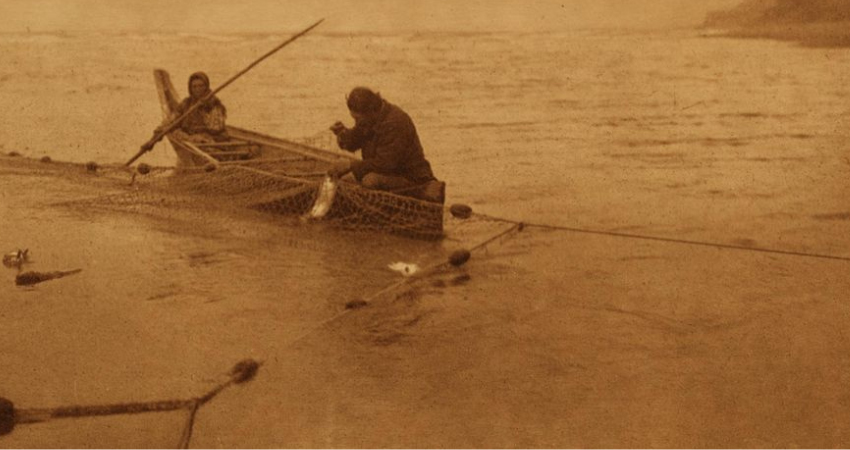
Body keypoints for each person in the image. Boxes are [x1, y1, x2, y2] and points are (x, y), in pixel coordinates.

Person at [328, 87, 444, 203]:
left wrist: (350, 165)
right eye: (354, 118)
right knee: (348, 179)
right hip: (387, 173)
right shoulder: (370, 118)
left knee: (370, 180)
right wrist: (342, 133)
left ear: (371, 111)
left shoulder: (396, 122)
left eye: (357, 118)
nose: (357, 122)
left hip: (412, 178)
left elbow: (385, 164)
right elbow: (354, 141)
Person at [163, 72, 229, 143]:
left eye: (201, 86)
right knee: (175, 132)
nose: (197, 89)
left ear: (206, 87)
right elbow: (174, 117)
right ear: (190, 88)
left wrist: (203, 109)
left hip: (212, 138)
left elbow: (216, 128)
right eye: (194, 86)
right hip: (191, 136)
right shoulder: (186, 103)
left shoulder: (213, 103)